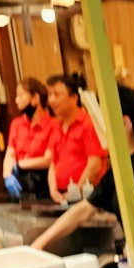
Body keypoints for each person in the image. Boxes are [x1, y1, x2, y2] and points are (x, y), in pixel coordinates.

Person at [32, 83, 134, 262]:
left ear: (125, 123)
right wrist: (41, 241)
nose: (98, 127)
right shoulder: (121, 165)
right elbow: (84, 210)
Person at [46, 72, 107, 204]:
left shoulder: (89, 123)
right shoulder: (56, 126)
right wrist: (53, 190)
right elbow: (52, 163)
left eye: (56, 95)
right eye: (49, 95)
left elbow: (94, 165)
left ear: (74, 98)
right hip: (62, 196)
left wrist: (75, 192)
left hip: (88, 195)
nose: (51, 100)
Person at [2, 77, 56, 202]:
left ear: (35, 98)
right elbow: (10, 154)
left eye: (20, 96)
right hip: (20, 183)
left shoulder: (54, 125)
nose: (16, 100)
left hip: (43, 185)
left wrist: (19, 165)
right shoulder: (16, 123)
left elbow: (48, 159)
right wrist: (7, 175)